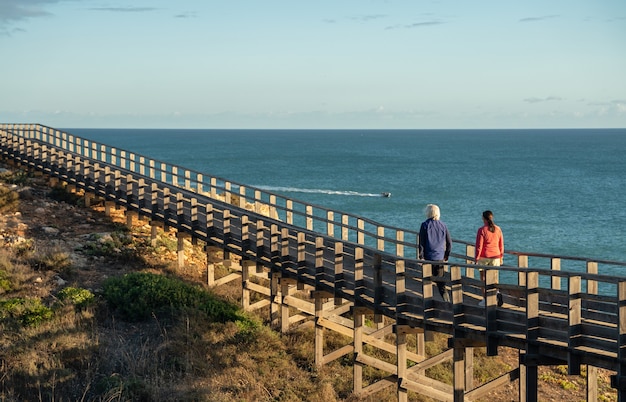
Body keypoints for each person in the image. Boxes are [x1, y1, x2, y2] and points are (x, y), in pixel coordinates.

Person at [418, 204, 452, 302]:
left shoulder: (424, 225)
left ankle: (428, 304)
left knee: (427, 282)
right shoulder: (443, 225)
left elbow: (421, 243)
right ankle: (447, 302)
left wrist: (421, 257)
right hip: (440, 258)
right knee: (441, 283)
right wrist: (446, 255)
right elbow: (449, 242)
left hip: (428, 258)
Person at [475, 210, 504, 306]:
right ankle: (497, 293)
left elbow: (479, 246)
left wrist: (476, 258)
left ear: (483, 218)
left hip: (484, 257)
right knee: (495, 278)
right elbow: (501, 245)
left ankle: (485, 299)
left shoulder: (482, 230)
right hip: (496, 256)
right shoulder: (498, 229)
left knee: (483, 279)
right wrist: (501, 257)